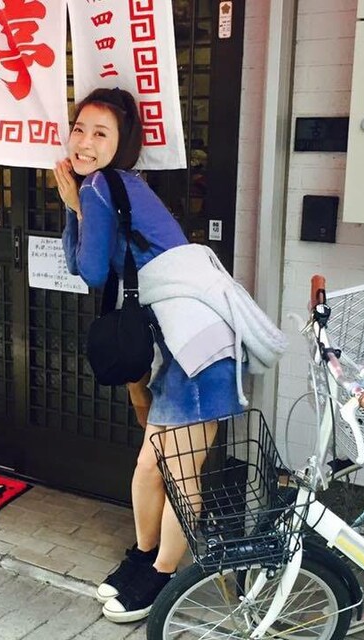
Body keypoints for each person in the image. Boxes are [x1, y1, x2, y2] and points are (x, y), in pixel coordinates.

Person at [53, 87, 246, 624]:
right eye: (79, 129)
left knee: (179, 474)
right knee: (149, 466)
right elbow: (82, 263)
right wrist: (74, 208)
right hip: (184, 342)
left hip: (198, 348)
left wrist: (74, 206)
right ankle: (144, 556)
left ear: (123, 144)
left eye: (101, 133)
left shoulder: (101, 187)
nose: (84, 142)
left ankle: (162, 577)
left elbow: (91, 271)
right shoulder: (110, 186)